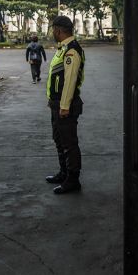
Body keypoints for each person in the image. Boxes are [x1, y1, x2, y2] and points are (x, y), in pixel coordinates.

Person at [45, 15, 85, 194]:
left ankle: (73, 180)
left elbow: (70, 81)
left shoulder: (71, 50)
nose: (53, 32)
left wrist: (64, 105)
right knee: (59, 140)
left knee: (69, 143)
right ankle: (64, 173)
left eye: (53, 29)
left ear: (59, 30)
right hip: (57, 104)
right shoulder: (63, 49)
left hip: (65, 105)